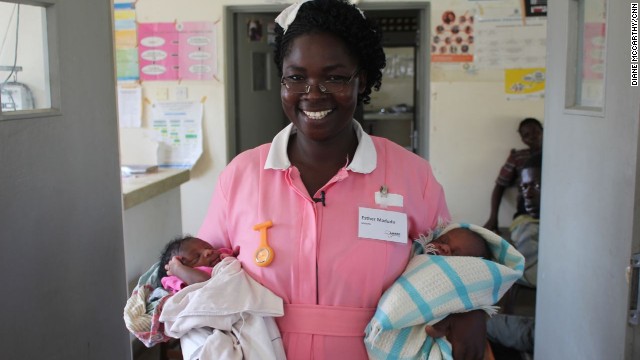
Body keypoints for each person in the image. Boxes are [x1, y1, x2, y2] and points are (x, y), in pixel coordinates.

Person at [197, 1, 487, 358]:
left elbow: (453, 262)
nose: (313, 92)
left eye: (334, 77)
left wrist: (472, 309)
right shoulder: (241, 176)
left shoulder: (412, 175)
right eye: (296, 77)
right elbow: (203, 265)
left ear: (360, 80)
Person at [364, 223, 525, 359]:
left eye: (456, 254)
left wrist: (471, 315)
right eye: (442, 240)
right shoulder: (416, 258)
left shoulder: (458, 283)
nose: (444, 247)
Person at [487, 152, 542, 355]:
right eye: (524, 187)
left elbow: (526, 273)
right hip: (537, 321)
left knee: (473, 323)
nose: (527, 193)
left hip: (542, 330)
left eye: (536, 186)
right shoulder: (533, 224)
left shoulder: (533, 229)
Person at [484, 117, 543, 233]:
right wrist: (493, 218)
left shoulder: (556, 154)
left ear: (543, 131)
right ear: (522, 139)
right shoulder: (517, 157)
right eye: (527, 134)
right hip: (527, 212)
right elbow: (499, 186)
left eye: (536, 131)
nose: (533, 136)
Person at [156, 235, 234, 293]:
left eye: (209, 247)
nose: (208, 252)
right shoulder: (178, 277)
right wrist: (177, 269)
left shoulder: (221, 256)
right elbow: (206, 284)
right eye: (197, 257)